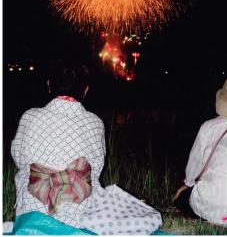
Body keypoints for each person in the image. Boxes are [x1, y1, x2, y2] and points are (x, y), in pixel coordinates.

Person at [11, 61, 162, 235]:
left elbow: (19, 158)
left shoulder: (29, 116)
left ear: (49, 84)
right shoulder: (95, 123)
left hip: (33, 209)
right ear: (85, 89)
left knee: (25, 173)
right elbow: (96, 168)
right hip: (81, 212)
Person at [175, 75, 227, 227]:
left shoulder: (209, 127)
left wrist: (187, 183)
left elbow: (193, 168)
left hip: (214, 210)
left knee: (181, 197)